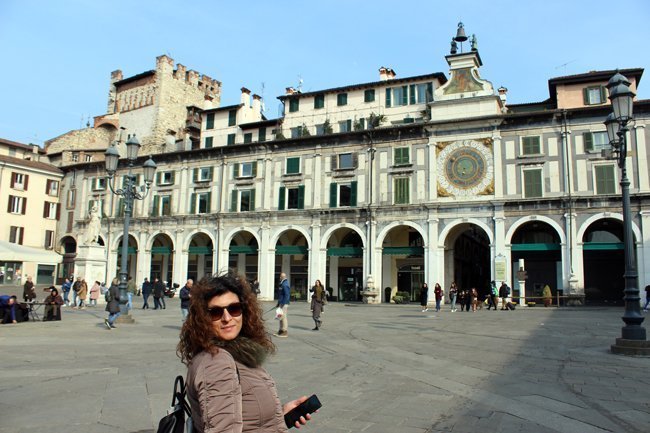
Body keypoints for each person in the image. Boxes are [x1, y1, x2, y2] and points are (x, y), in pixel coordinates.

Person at [178, 273, 314, 431]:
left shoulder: (233, 352)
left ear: (244, 310)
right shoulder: (217, 362)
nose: (227, 318)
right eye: (215, 312)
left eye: (234, 309)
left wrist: (279, 415)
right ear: (203, 318)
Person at [275, 272, 290, 338]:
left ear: (282, 277)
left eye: (280, 277)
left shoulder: (285, 284)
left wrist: (282, 303)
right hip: (281, 303)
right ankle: (280, 330)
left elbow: (287, 295)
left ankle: (284, 331)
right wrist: (278, 303)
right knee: (280, 316)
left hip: (284, 303)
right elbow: (281, 295)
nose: (280, 278)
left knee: (283, 317)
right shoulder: (282, 283)